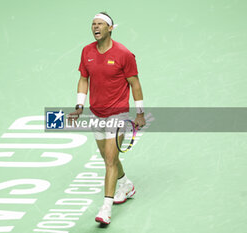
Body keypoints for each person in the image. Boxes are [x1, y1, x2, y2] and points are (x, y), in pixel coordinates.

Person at [69, 12, 146, 224]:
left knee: (110, 161)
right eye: (93, 24)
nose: (95, 27)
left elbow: (135, 84)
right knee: (107, 157)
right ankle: (126, 185)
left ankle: (106, 208)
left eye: (100, 24)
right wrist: (79, 106)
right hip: (96, 113)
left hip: (118, 114)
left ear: (110, 28)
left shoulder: (124, 54)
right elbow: (83, 79)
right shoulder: (87, 52)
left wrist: (139, 112)